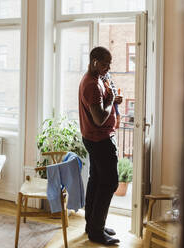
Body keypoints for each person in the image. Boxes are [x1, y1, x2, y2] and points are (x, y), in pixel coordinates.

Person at [78, 46, 122, 245]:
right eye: (105, 64)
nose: (108, 67)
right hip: (99, 139)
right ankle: (96, 232)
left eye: (109, 64)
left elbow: (100, 105)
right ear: (94, 61)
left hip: (95, 139)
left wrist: (110, 99)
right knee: (109, 183)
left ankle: (93, 225)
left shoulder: (97, 80)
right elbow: (98, 118)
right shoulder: (91, 85)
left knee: (96, 181)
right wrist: (111, 101)